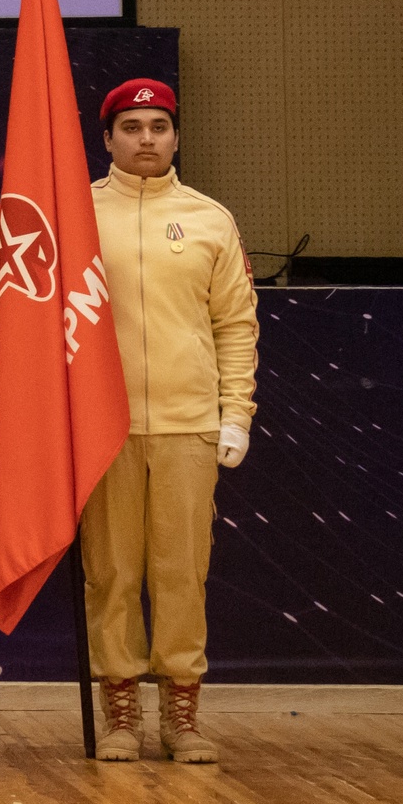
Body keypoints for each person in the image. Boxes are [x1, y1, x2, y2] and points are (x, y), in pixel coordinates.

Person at [81, 78, 258, 764]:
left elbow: (236, 325)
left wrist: (235, 414)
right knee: (113, 573)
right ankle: (120, 712)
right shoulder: (77, 214)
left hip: (188, 426)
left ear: (177, 136)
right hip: (105, 427)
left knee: (182, 572)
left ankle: (182, 714)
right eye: (131, 127)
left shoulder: (211, 220)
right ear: (107, 139)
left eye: (158, 126)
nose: (146, 138)